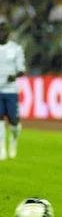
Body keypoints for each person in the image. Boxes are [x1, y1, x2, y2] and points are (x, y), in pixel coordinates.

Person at [0, 17, 25, 160]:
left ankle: (14, 140)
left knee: (14, 121)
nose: (2, 33)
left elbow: (22, 69)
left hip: (10, 90)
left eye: (4, 30)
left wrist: (15, 75)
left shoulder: (16, 49)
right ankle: (2, 148)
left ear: (9, 33)